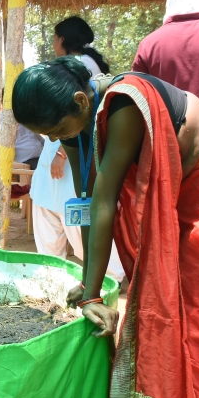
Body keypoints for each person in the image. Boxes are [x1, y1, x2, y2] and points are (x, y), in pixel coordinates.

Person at [14, 56, 199, 398]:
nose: (53, 140)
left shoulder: (124, 104)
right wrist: (92, 281)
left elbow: (106, 199)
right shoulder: (74, 117)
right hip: (184, 188)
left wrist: (91, 297)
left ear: (82, 101)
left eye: (55, 131)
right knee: (169, 302)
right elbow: (86, 199)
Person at [30, 17, 125, 281]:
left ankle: (104, 277)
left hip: (74, 150)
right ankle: (70, 273)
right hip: (67, 147)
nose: (53, 43)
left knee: (77, 207)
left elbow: (78, 114)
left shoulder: (78, 66)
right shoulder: (88, 62)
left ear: (62, 39)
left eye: (54, 38)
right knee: (59, 205)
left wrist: (61, 152)